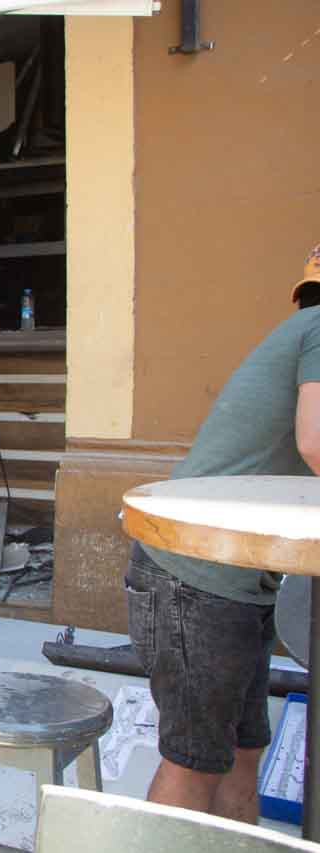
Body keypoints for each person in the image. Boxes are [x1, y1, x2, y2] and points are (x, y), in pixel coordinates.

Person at [126, 243, 320, 824]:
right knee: (196, 762)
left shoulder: (303, 330)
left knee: (241, 751)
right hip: (196, 577)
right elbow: (316, 441)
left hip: (236, 576)